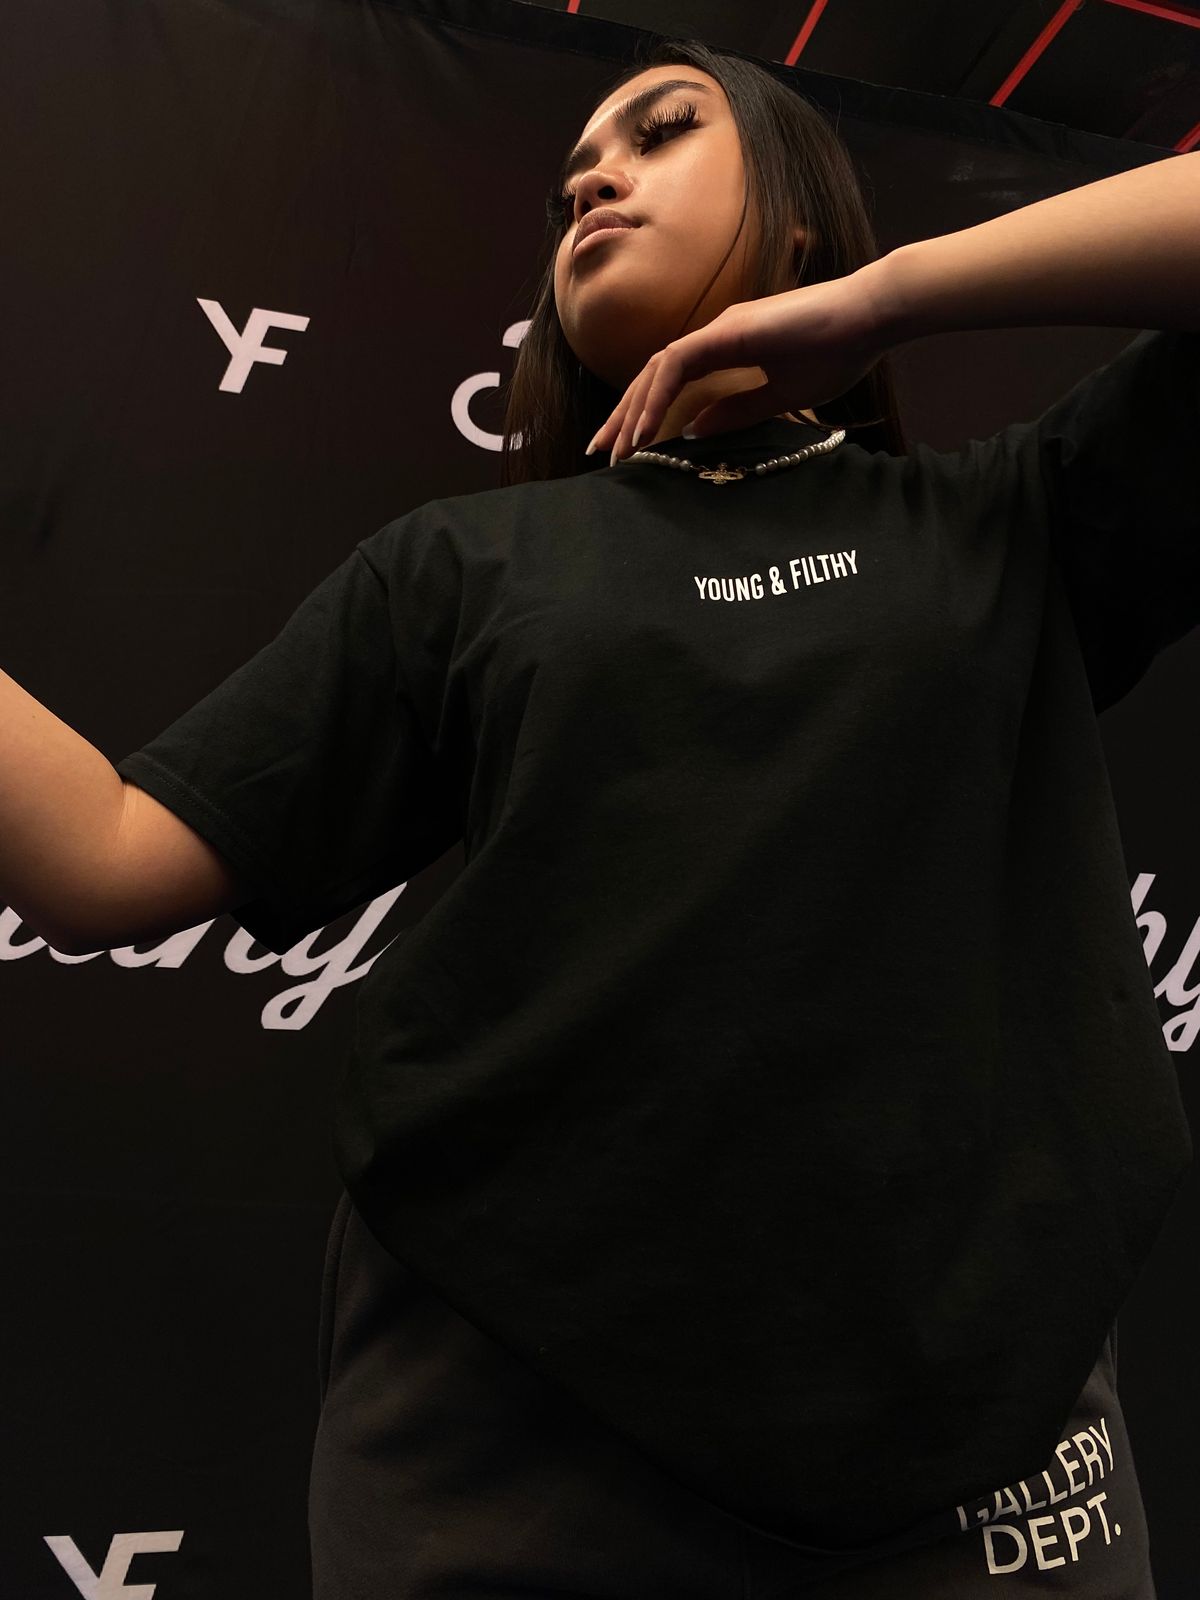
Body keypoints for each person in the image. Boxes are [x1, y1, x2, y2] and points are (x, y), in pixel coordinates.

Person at [4, 31, 1196, 1600]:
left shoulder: (1007, 523)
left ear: (801, 218)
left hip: (989, 1444)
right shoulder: (460, 570)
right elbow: (101, 857)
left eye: (660, 131)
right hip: (512, 1438)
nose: (591, 179)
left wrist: (882, 297)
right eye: (575, 172)